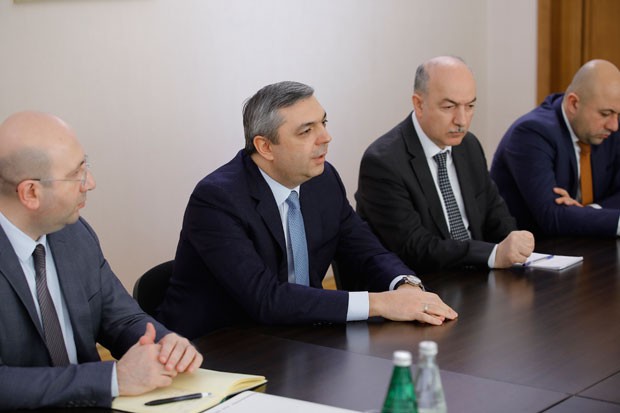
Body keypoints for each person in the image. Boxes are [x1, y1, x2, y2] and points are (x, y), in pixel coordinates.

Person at [158, 81, 458, 340]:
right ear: (265, 147)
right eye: (306, 131)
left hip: (295, 338)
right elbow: (266, 299)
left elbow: (367, 251)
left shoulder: (322, 180)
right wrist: (380, 303)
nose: (325, 137)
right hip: (213, 349)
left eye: (323, 123)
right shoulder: (217, 200)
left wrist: (405, 286)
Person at [0, 111, 203, 410]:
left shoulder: (74, 233)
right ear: (31, 192)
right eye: (76, 174)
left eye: (86, 166)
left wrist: (167, 345)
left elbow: (122, 318)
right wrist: (112, 379)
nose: (90, 183)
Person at [355, 56, 534, 274]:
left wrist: (515, 242)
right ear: (419, 104)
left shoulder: (468, 145)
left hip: (476, 274)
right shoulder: (383, 162)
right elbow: (414, 247)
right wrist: (492, 254)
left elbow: (494, 212)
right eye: (449, 107)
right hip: (423, 281)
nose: (462, 121)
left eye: (470, 106)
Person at [490, 59, 620, 237]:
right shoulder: (531, 133)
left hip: (584, 244)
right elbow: (553, 216)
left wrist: (588, 212)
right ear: (574, 103)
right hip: (533, 248)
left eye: (618, 114)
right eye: (605, 114)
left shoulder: (608, 129)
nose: (614, 125)